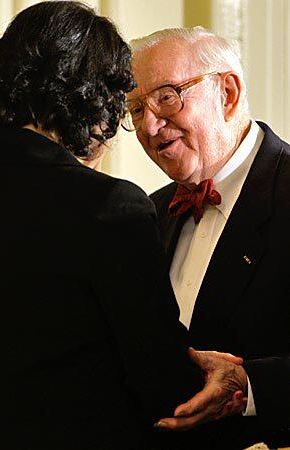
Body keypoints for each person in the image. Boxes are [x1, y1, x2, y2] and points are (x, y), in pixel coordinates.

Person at [0, 6, 246, 450]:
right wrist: (207, 371)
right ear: (92, 97)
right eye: (126, 102)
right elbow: (165, 389)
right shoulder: (109, 207)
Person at [125, 26, 290, 449]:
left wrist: (250, 385)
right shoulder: (150, 210)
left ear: (228, 94)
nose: (150, 124)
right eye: (136, 108)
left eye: (167, 96)